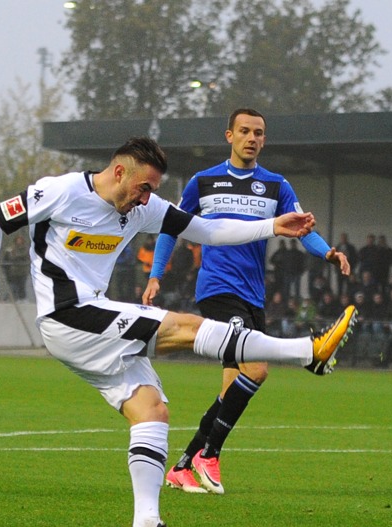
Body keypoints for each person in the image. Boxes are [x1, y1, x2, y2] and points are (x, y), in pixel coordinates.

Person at [0, 137, 357, 527]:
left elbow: (207, 230)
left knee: (152, 411)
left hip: (93, 319)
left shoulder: (143, 206)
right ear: (120, 172)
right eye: (143, 187)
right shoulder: (61, 191)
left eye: (152, 190)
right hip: (68, 316)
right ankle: (308, 352)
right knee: (185, 327)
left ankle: (147, 526)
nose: (147, 198)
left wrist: (272, 226)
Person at [143, 108, 351, 496]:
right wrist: (157, 273)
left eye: (258, 132)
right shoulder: (203, 182)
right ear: (229, 136)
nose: (251, 138)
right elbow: (171, 227)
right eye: (244, 131)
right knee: (256, 369)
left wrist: (327, 253)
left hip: (253, 294)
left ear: (264, 140)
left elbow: (301, 228)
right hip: (218, 290)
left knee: (231, 388)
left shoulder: (275, 185)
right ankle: (210, 456)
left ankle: (184, 466)